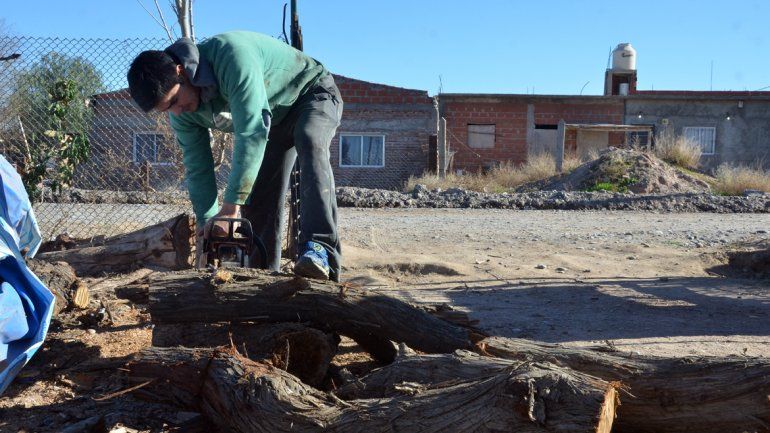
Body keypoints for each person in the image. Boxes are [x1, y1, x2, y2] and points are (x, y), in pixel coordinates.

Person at [127, 31, 343, 281]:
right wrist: (207, 225)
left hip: (311, 92)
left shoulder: (232, 58)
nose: (176, 112)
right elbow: (198, 166)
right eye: (167, 109)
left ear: (181, 72)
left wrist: (230, 208)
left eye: (175, 100)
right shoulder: (181, 113)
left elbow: (252, 133)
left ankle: (319, 251)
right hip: (273, 118)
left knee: (310, 139)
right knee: (259, 194)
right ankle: (260, 279)